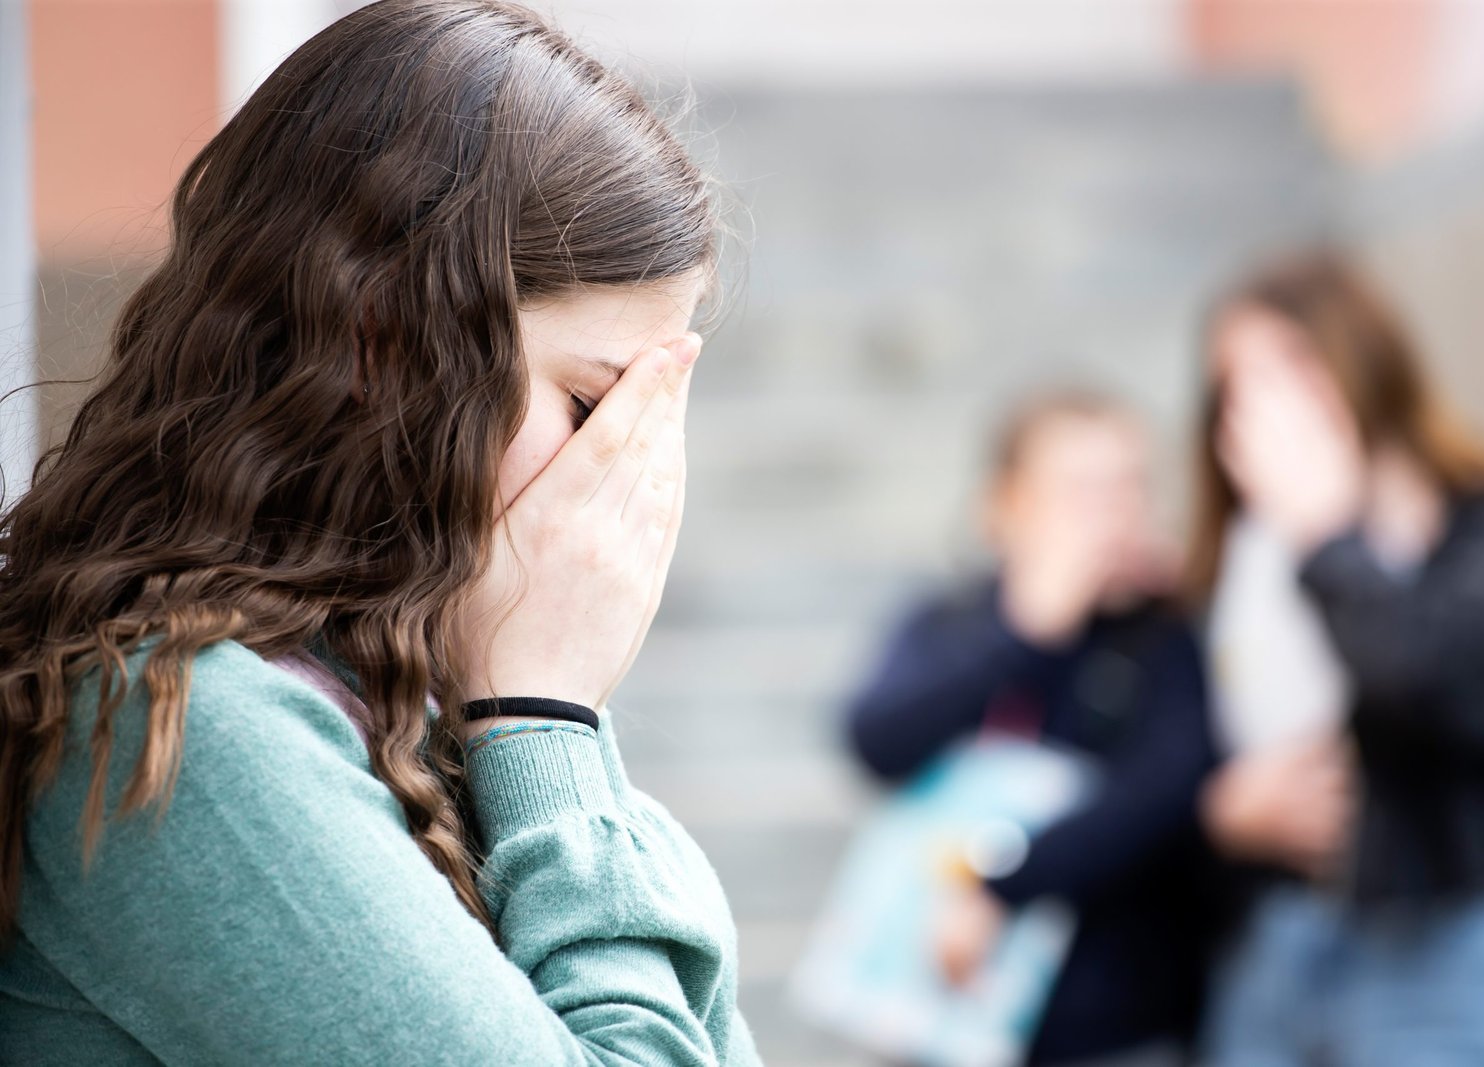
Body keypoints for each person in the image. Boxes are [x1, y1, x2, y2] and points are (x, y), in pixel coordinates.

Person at [0, 2, 762, 1063]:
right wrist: (548, 720)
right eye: (592, 406)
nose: (629, 472)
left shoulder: (414, 696)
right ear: (385, 345)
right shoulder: (178, 729)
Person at [1191, 250, 1484, 1066]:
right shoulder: (1233, 561)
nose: (1262, 409)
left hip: (1452, 957)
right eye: (1235, 384)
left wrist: (1327, 532)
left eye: (1289, 369)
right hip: (1282, 953)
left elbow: (1423, 678)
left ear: (1361, 358)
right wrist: (1222, 812)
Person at [844, 394, 1217, 1067]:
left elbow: (1157, 793)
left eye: (1129, 486)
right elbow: (876, 738)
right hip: (941, 1018)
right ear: (1006, 505)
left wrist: (999, 881)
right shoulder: (953, 621)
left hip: (1113, 1023)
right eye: (1081, 491)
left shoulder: (1164, 636)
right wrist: (1029, 632)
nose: (1111, 513)